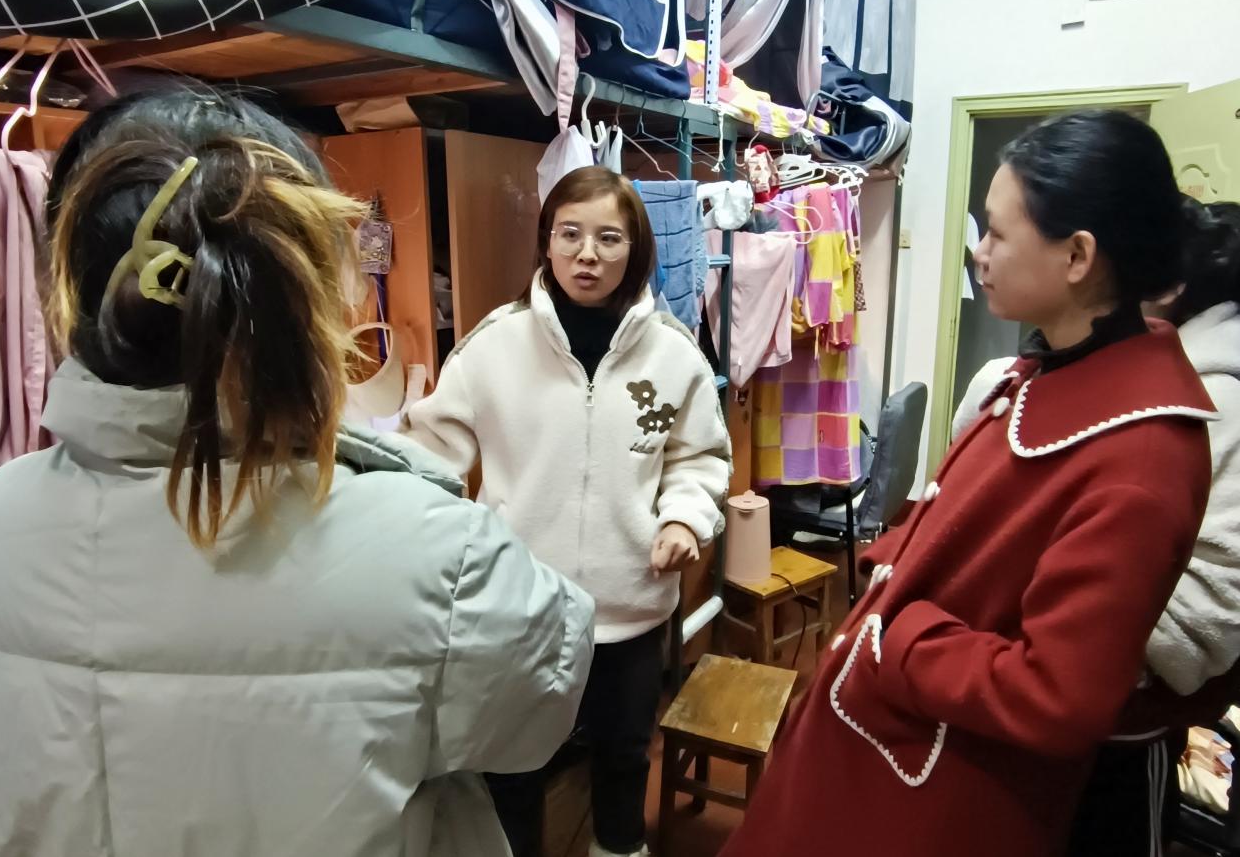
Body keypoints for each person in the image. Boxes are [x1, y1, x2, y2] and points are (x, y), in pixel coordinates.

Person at [0, 88, 594, 857]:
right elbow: (539, 707)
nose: (587, 253)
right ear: (309, 298)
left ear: (71, 290)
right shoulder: (438, 555)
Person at [720, 110, 1215, 857]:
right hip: (892, 741)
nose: (978, 254)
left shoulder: (1141, 454)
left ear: (1077, 255)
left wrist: (902, 640)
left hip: (935, 785)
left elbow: (1056, 694)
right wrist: (902, 556)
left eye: (998, 235)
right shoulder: (1051, 373)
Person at [404, 165, 731, 857]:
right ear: (546, 242)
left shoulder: (674, 355)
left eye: (609, 238)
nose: (587, 254)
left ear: (635, 249)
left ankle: (618, 848)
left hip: (631, 604)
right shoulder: (493, 345)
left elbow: (698, 457)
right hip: (518, 608)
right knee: (511, 769)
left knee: (623, 757)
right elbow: (429, 455)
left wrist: (683, 518)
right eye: (570, 234)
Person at [1064, 200, 1240, 857]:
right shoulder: (1114, 376)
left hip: (1118, 730)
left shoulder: (1219, 401)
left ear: (1166, 286)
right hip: (1056, 711)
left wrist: (1074, 650)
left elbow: (1209, 607)